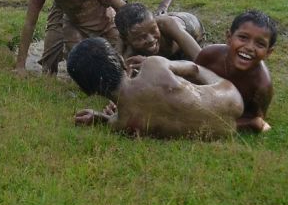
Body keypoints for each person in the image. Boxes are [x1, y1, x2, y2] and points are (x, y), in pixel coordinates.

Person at [67, 38, 244, 139]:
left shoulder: (119, 123)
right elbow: (193, 68)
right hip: (232, 98)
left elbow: (111, 120)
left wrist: (99, 117)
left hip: (221, 133)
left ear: (87, 91)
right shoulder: (153, 64)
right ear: (121, 61)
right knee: (189, 72)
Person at [194, 10, 276, 133]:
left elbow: (258, 117)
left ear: (268, 52)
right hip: (202, 100)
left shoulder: (262, 84)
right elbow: (190, 83)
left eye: (260, 44)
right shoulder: (209, 55)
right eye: (243, 38)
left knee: (199, 124)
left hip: (233, 114)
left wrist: (251, 122)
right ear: (229, 37)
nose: (249, 47)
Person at [115, 3, 204, 62]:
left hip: (190, 25)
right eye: (140, 37)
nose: (151, 39)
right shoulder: (128, 46)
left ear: (156, 24)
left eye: (153, 30)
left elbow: (201, 59)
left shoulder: (167, 25)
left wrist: (152, 64)